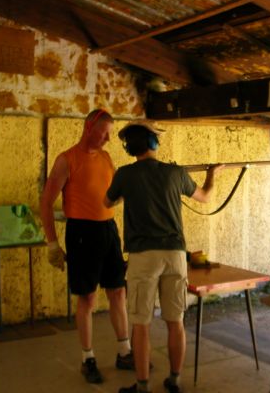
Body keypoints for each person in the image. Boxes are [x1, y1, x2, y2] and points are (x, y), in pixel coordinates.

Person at [105, 121, 223, 393]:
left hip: (142, 257)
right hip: (174, 254)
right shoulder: (176, 172)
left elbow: (106, 202)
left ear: (130, 147)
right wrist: (212, 174)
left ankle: (142, 386)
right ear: (153, 143)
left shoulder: (124, 175)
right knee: (175, 321)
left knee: (141, 324)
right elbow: (205, 196)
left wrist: (127, 192)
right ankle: (174, 381)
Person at [40, 109, 134, 384]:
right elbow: (46, 202)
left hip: (108, 230)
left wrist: (121, 197)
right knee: (87, 298)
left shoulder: (106, 158)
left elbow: (114, 191)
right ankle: (88, 358)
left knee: (118, 291)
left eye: (110, 134)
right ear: (89, 127)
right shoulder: (66, 160)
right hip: (81, 233)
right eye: (104, 133)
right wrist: (52, 243)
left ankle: (124, 352)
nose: (108, 139)